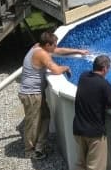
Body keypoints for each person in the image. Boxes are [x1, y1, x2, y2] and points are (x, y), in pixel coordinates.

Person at [19, 31, 89, 160]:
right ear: (47, 44)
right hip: (31, 94)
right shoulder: (41, 54)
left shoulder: (38, 46)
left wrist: (78, 51)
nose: (55, 47)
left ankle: (39, 147)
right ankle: (29, 151)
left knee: (45, 117)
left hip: (34, 93)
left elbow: (59, 50)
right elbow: (56, 70)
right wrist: (66, 68)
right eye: (53, 45)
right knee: (33, 122)